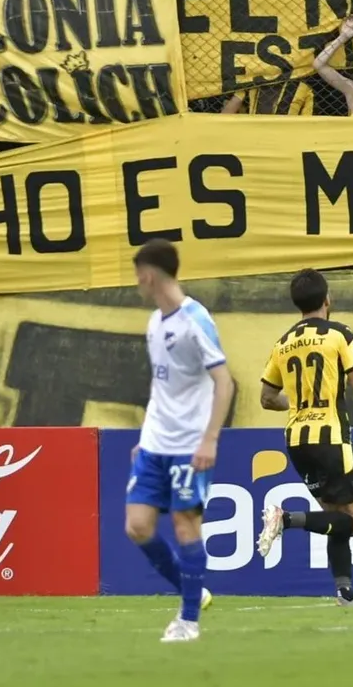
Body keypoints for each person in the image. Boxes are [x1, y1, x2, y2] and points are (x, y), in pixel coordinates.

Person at [257, 269, 353, 607]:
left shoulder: (282, 343)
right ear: (327, 300)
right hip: (331, 439)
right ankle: (286, 519)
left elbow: (267, 398)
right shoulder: (338, 333)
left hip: (296, 440)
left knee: (335, 520)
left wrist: (296, 402)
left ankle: (344, 591)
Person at [125, 239, 235, 642]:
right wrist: (146, 435)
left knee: (185, 524)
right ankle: (196, 591)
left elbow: (224, 382)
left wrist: (209, 440)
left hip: (189, 445)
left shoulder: (195, 320)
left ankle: (188, 621)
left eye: (138, 275)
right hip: (155, 443)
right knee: (137, 527)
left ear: (149, 275)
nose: (136, 283)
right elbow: (161, 387)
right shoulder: (156, 322)